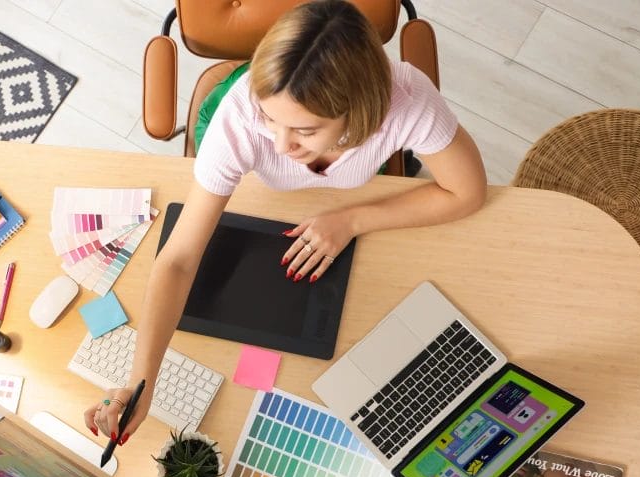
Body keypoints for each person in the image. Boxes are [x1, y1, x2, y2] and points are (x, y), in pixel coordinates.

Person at [84, 0, 487, 444]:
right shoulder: (239, 118)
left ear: (360, 110)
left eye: (306, 131)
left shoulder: (405, 99)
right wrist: (141, 382)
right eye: (269, 118)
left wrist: (353, 219)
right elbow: (177, 259)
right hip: (238, 132)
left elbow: (467, 192)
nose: (278, 144)